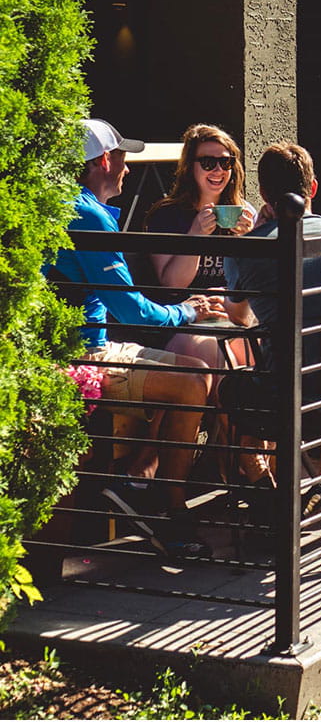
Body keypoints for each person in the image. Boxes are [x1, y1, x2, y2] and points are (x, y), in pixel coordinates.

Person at [46, 118, 228, 558]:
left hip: (81, 344)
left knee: (195, 368)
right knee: (193, 380)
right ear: (103, 161)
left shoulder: (69, 204)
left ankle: (138, 480)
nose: (128, 168)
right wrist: (189, 310)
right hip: (86, 355)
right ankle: (168, 508)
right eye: (123, 158)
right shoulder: (88, 214)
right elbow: (132, 309)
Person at [224, 142, 321, 516]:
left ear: (263, 193)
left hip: (285, 399)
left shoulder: (249, 247)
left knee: (230, 389)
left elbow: (239, 316)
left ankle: (266, 491)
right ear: (313, 187)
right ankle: (319, 488)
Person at [144, 124, 268, 485]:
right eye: (208, 162)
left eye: (225, 162)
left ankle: (244, 460)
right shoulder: (168, 215)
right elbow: (171, 283)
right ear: (190, 167)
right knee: (212, 354)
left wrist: (249, 243)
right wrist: (197, 234)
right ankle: (248, 464)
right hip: (181, 320)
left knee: (260, 355)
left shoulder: (244, 214)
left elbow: (254, 287)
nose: (218, 171)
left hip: (231, 319)